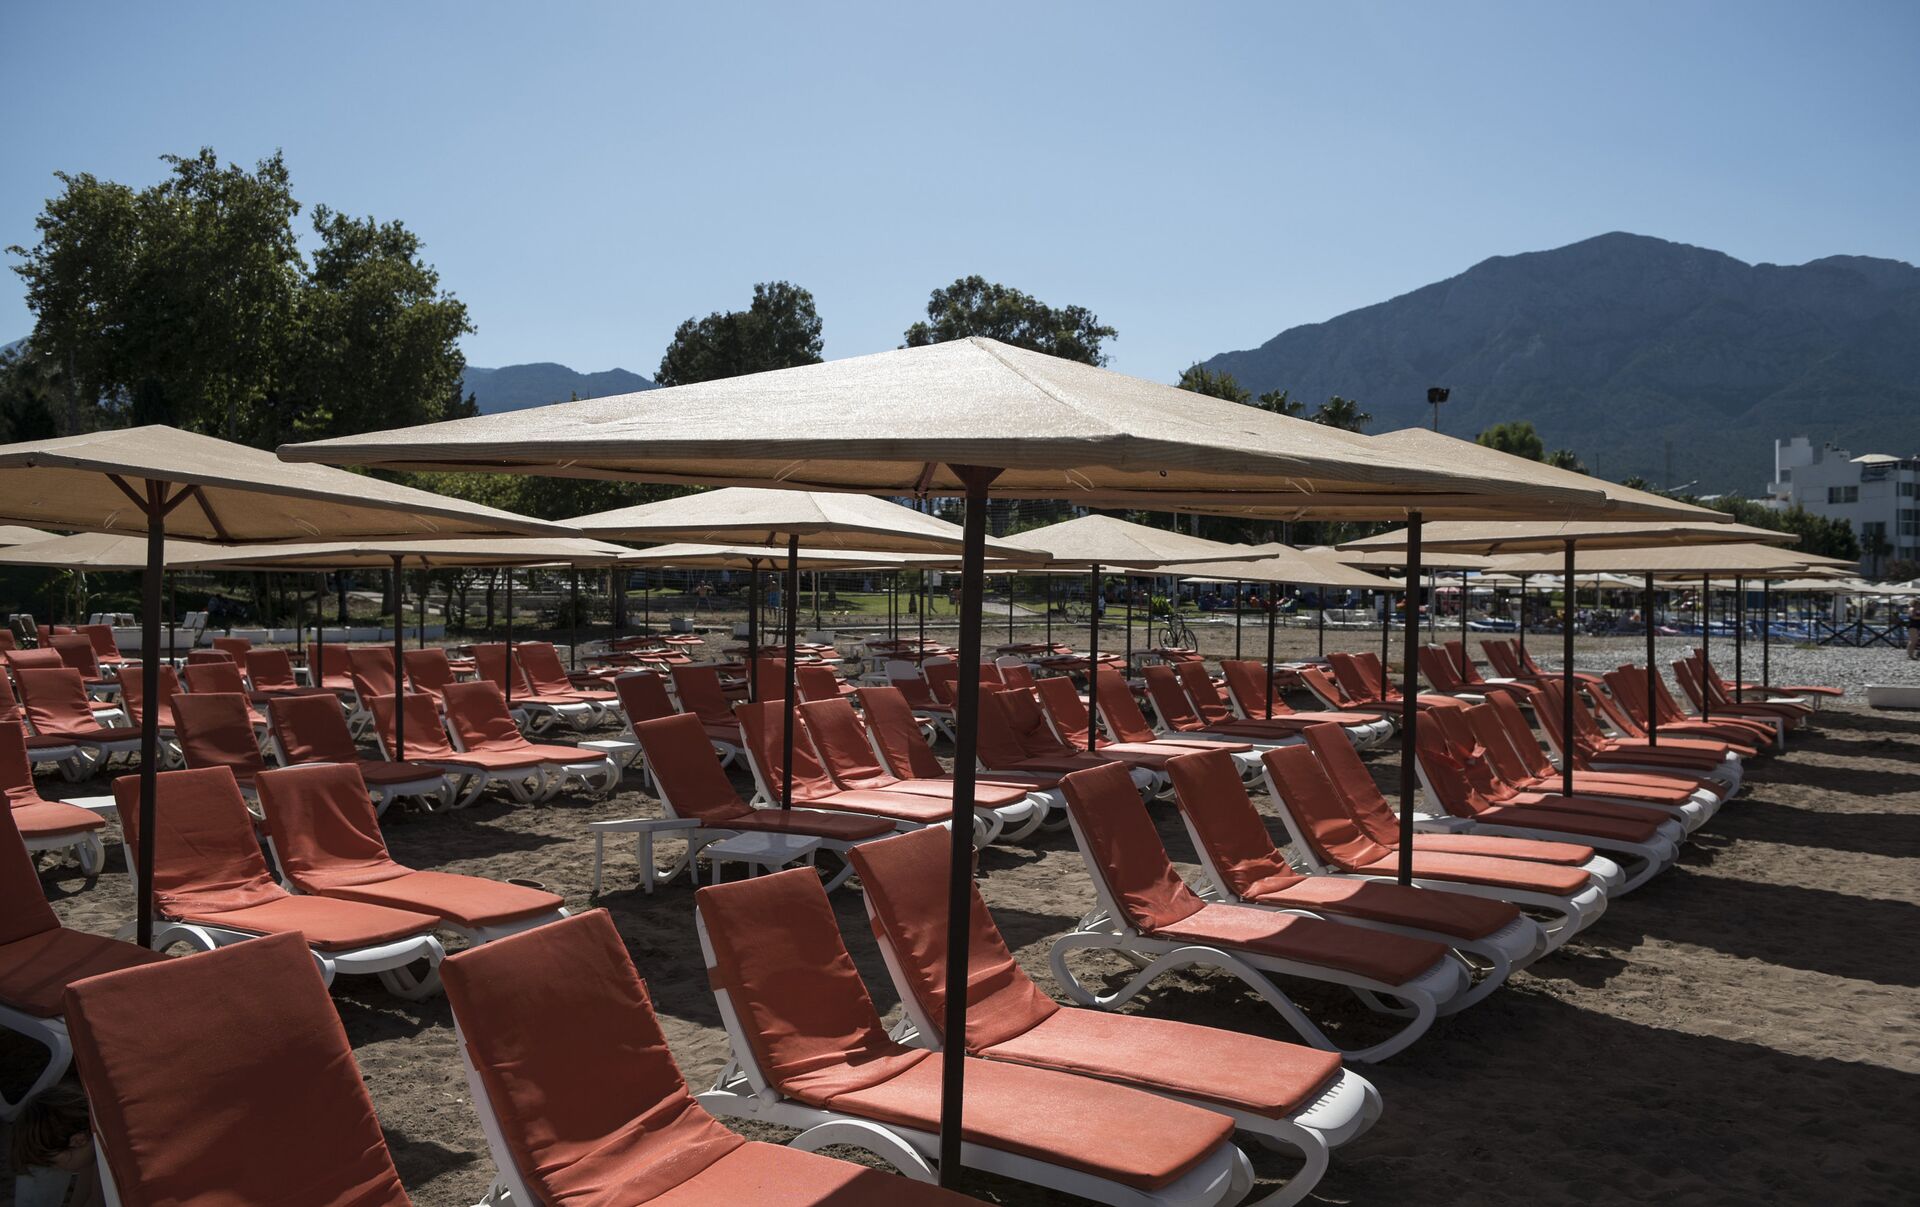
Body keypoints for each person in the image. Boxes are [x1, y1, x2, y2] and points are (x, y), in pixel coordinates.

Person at [10, 1083, 104, 1207]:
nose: (56, 1168)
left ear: (78, 1141)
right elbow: (86, 1180)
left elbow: (98, 1201)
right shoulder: (95, 1145)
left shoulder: (109, 1161)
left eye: (52, 1162)